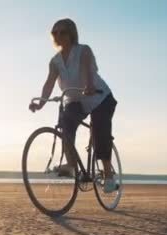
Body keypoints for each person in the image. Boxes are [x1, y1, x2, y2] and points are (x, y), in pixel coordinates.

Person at [29, 18, 118, 193]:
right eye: (55, 33)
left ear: (71, 34)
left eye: (62, 32)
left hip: (99, 98)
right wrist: (41, 103)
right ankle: (71, 165)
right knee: (66, 124)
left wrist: (89, 86)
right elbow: (49, 83)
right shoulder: (55, 61)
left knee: (100, 130)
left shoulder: (83, 51)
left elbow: (85, 70)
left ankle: (108, 176)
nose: (58, 35)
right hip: (75, 100)